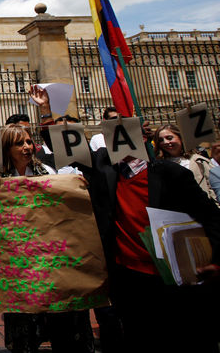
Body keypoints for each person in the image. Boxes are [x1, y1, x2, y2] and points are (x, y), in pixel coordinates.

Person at [81, 137, 220, 352]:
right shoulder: (108, 173)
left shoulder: (171, 174)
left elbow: (211, 217)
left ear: (142, 138)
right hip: (130, 279)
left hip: (173, 278)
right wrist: (46, 111)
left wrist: (216, 261)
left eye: (127, 134)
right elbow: (67, 149)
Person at [0, 124, 93, 353]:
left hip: (48, 259)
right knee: (24, 329)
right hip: (17, 264)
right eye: (19, 143)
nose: (26, 147)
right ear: (7, 148)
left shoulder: (46, 171)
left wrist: (76, 189)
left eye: (28, 142)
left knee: (59, 325)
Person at [154, 124, 216, 204]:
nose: (165, 142)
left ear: (181, 138)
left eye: (169, 138)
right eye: (160, 140)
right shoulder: (157, 165)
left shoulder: (199, 161)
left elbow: (214, 188)